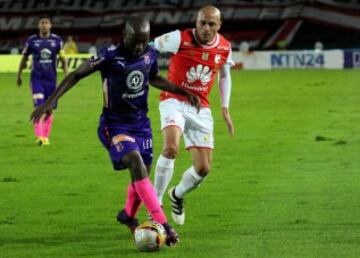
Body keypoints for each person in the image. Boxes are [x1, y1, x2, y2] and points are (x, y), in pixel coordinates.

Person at [31, 16, 201, 246]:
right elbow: (76, 74)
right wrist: (51, 101)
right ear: (125, 34)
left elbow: (154, 78)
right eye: (136, 41)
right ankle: (164, 225)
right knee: (135, 162)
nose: (140, 46)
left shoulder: (150, 54)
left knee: (141, 175)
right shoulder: (109, 55)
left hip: (141, 125)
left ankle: (127, 216)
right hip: (114, 125)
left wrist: (182, 91)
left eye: (144, 41)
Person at [153, 5, 235, 225]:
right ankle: (155, 206)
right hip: (174, 100)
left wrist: (225, 108)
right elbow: (149, 48)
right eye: (202, 23)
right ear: (196, 22)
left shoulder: (225, 47)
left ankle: (176, 194)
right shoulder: (179, 38)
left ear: (219, 25)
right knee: (170, 148)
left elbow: (224, 75)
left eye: (211, 24)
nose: (206, 28)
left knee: (203, 168)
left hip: (200, 107)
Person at [17, 15, 68, 146]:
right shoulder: (31, 41)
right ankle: (39, 137)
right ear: (39, 25)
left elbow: (63, 59)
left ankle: (45, 137)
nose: (44, 25)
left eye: (46, 23)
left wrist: (67, 74)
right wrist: (19, 75)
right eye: (42, 23)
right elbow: (24, 59)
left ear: (50, 25)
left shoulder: (57, 40)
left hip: (51, 80)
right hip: (36, 80)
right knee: (40, 107)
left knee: (49, 110)